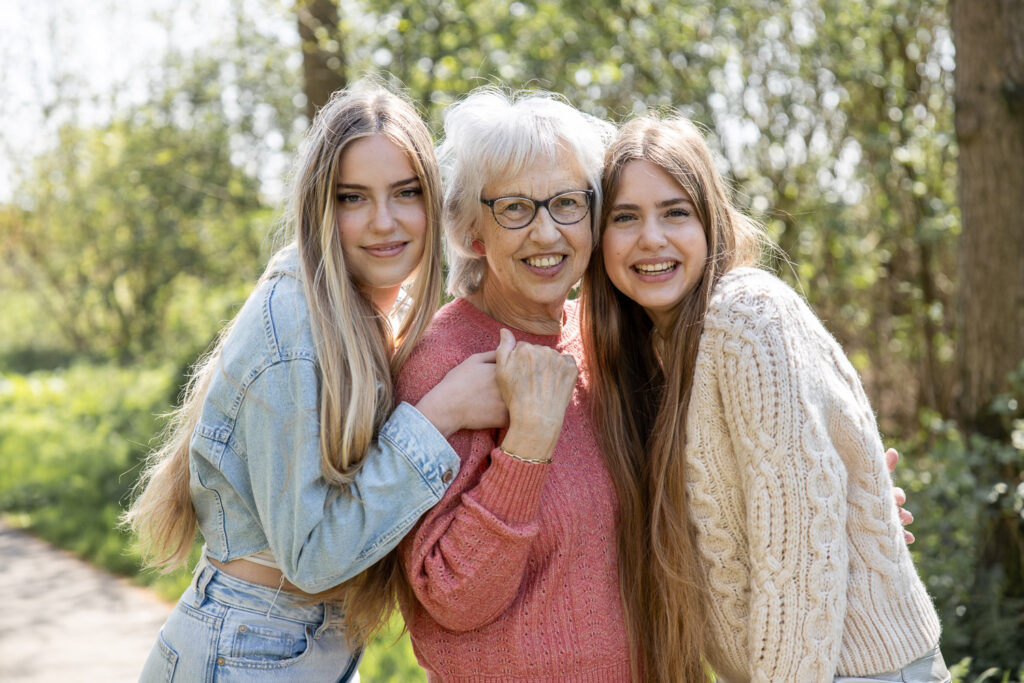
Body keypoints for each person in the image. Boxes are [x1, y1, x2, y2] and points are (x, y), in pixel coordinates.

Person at [124, 82, 511, 682]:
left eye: (405, 193)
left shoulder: (354, 313)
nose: (384, 221)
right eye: (353, 197)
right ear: (319, 208)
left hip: (298, 646)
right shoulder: (294, 332)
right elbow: (311, 556)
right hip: (251, 652)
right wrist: (438, 418)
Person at [582, 115, 947, 682]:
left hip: (852, 671)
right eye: (625, 217)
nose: (650, 237)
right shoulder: (648, 353)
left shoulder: (745, 316)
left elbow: (797, 561)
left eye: (675, 212)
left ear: (711, 221)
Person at [392, 88, 636, 680]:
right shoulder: (441, 365)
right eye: (516, 209)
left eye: (567, 203)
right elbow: (451, 595)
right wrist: (526, 447)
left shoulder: (602, 339)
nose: (548, 233)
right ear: (475, 233)